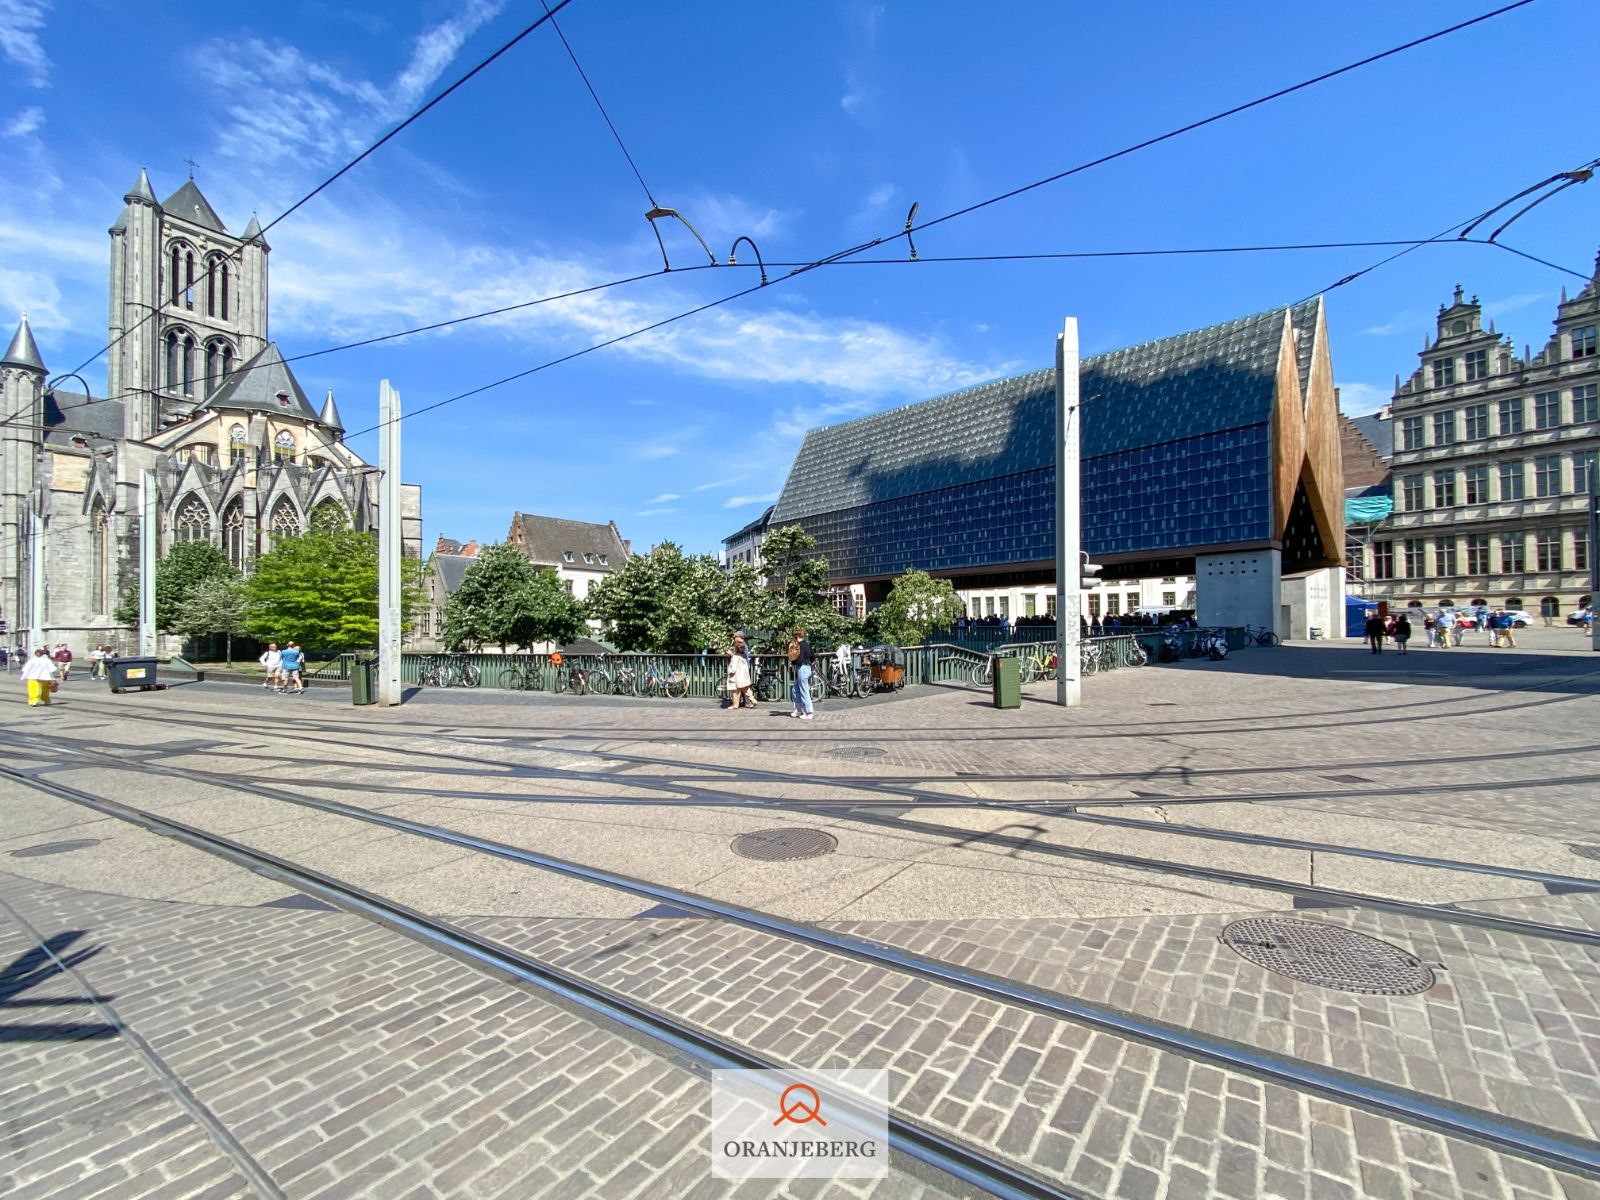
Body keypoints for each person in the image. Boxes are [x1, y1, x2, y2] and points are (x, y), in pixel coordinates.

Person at [789, 627, 814, 720]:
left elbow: (794, 658)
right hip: (807, 668)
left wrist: (793, 662)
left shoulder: (797, 646)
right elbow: (812, 656)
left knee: (804, 690)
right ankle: (798, 710)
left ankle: (809, 712)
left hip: (802, 669)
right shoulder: (807, 644)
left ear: (796, 636)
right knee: (795, 689)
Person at [726, 641, 753, 712]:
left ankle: (735, 704)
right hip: (744, 676)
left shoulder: (735, 657)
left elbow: (734, 668)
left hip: (737, 677)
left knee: (735, 691)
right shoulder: (743, 656)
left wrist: (730, 672)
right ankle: (753, 700)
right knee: (747, 690)